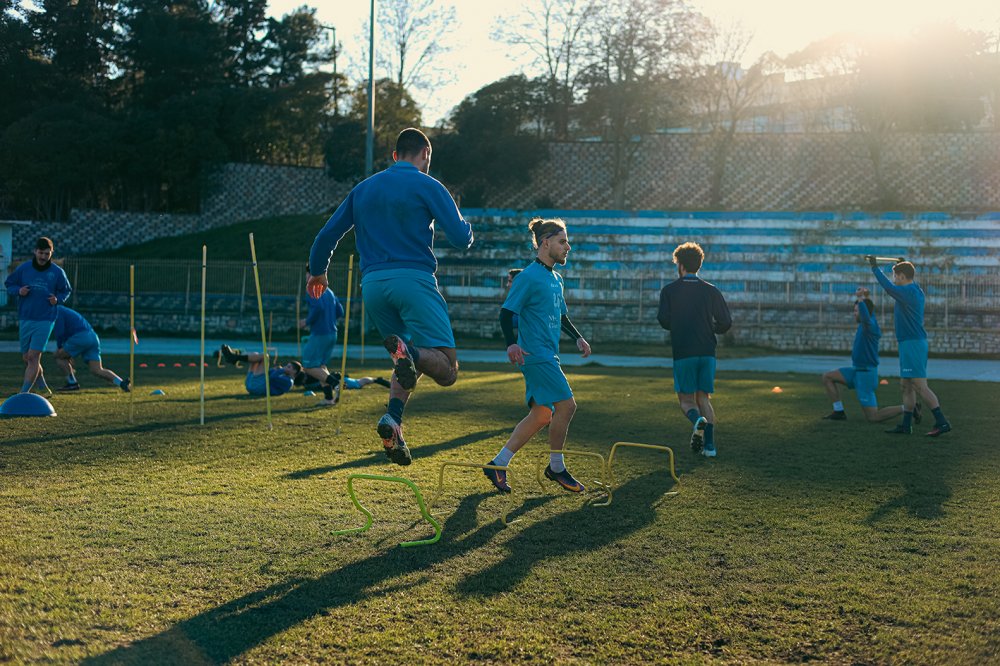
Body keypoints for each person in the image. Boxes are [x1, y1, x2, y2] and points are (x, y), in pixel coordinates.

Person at [307, 127, 474, 466]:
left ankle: (394, 421)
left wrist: (319, 271)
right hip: (413, 279)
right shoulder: (428, 184)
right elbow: (459, 237)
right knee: (447, 369)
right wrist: (467, 227)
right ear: (425, 154)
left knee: (409, 362)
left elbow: (326, 235)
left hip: (373, 286)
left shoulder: (363, 189)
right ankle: (408, 351)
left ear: (395, 155)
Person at [483, 217, 592, 494]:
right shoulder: (528, 276)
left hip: (548, 354)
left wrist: (577, 337)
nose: (568, 247)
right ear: (546, 243)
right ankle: (556, 468)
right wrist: (511, 344)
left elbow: (561, 315)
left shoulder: (556, 278)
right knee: (567, 406)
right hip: (536, 355)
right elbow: (507, 312)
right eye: (563, 241)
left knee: (543, 415)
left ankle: (498, 464)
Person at [657, 242, 732, 457]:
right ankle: (710, 447)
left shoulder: (670, 290)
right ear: (699, 265)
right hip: (707, 351)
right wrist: (709, 328)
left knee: (687, 401)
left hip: (684, 351)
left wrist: (681, 325)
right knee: (704, 399)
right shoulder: (711, 290)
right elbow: (725, 322)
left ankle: (696, 420)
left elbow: (663, 319)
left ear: (679, 265)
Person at [868, 257, 952, 436]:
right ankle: (906, 426)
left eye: (896, 276)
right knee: (906, 385)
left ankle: (942, 421)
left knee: (920, 385)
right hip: (909, 343)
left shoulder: (908, 292)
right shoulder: (914, 289)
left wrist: (875, 268)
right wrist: (903, 263)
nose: (895, 280)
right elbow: (898, 281)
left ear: (903, 277)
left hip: (912, 343)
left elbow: (888, 288)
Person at [820, 288, 905, 422]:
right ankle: (839, 411)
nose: (854, 314)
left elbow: (865, 315)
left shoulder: (869, 326)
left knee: (873, 417)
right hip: (855, 372)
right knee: (827, 377)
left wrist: (860, 298)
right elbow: (868, 310)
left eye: (856, 311)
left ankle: (908, 408)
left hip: (866, 376)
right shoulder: (867, 322)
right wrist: (865, 297)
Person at [4, 237, 71, 394]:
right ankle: (43, 386)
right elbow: (9, 284)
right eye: (41, 253)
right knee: (27, 357)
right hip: (26, 317)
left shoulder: (57, 272)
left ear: (51, 253)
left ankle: (23, 393)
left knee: (34, 356)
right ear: (35, 251)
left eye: (47, 254)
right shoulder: (24, 269)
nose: (43, 257)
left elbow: (66, 290)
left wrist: (58, 299)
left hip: (46, 319)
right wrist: (18, 291)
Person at [51, 305, 130, 392]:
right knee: (97, 369)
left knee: (58, 356)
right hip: (93, 337)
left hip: (80, 337)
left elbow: (60, 332)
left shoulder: (56, 311)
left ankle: (72, 383)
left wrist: (60, 348)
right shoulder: (65, 310)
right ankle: (122, 383)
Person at [298, 268, 346, 406]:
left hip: (320, 333)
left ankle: (336, 384)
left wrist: (306, 322)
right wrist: (328, 319)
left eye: (307, 273)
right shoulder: (329, 291)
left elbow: (318, 308)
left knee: (308, 366)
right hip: (332, 332)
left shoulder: (312, 289)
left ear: (310, 274)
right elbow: (340, 311)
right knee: (320, 367)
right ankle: (328, 398)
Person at [219, 344, 301, 397]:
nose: (285, 367)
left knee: (265, 356)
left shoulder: (289, 382)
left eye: (289, 367)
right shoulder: (284, 377)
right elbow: (269, 374)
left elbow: (271, 378)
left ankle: (235, 357)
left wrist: (280, 370)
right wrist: (274, 369)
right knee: (256, 355)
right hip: (253, 385)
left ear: (294, 371)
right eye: (286, 366)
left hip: (258, 388)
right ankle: (234, 357)